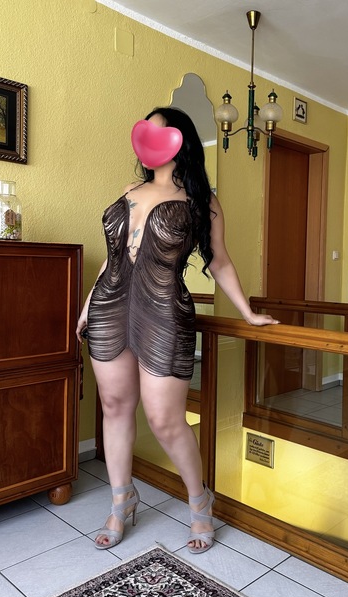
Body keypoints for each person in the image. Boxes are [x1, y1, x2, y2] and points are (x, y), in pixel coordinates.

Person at [76, 106, 279, 554]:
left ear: (179, 140)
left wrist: (247, 313)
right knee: (114, 406)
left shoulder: (202, 201)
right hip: (110, 306)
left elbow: (219, 261)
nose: (148, 139)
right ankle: (122, 501)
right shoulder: (129, 190)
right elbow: (114, 256)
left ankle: (199, 501)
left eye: (158, 131)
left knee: (165, 419)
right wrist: (88, 305)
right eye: (144, 130)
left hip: (164, 311)